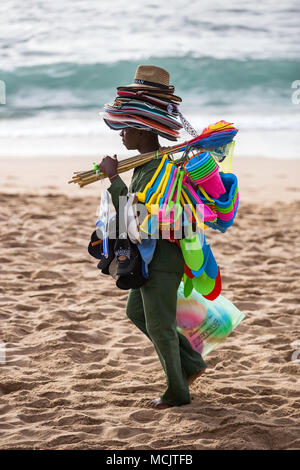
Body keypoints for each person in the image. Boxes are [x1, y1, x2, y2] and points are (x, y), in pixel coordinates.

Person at [99, 66, 207, 409]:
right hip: (153, 254)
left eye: (125, 127)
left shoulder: (159, 167)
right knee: (138, 313)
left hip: (162, 256)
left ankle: (177, 392)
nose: (120, 135)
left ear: (144, 129)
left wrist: (114, 180)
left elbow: (139, 217)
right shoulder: (148, 163)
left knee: (160, 326)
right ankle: (191, 362)